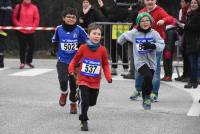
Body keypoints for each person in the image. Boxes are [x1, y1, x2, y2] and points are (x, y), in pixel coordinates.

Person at [69, 23, 112, 131]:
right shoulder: (83, 48)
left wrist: (108, 76)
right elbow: (75, 59)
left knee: (92, 102)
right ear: (88, 35)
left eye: (99, 34)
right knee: (85, 101)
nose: (96, 36)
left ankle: (80, 97)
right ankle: (84, 121)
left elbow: (106, 64)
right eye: (94, 33)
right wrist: (71, 68)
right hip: (83, 80)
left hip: (95, 81)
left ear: (101, 36)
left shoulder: (102, 50)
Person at [117, 12, 165, 110]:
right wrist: (120, 43)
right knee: (147, 76)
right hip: (140, 61)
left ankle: (144, 96)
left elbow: (162, 44)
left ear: (150, 22)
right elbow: (123, 36)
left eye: (147, 20)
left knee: (149, 79)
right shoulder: (134, 33)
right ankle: (147, 97)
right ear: (138, 23)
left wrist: (153, 45)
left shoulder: (154, 33)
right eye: (142, 21)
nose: (145, 23)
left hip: (152, 61)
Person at [129, 0, 173, 102]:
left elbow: (171, 19)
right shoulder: (142, 11)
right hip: (142, 45)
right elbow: (136, 26)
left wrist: (164, 20)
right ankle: (138, 90)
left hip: (155, 46)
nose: (149, 2)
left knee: (155, 70)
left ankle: (154, 93)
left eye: (151, 0)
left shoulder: (160, 11)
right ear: (144, 1)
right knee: (139, 69)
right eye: (147, 0)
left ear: (155, 1)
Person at [52, 7, 88, 114]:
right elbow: (55, 40)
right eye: (68, 17)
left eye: (73, 17)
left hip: (76, 61)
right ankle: (63, 92)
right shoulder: (59, 29)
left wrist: (81, 47)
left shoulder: (79, 29)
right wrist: (54, 49)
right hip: (62, 60)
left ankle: (73, 103)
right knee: (63, 80)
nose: (71, 19)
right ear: (63, 18)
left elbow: (87, 41)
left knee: (74, 84)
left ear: (76, 19)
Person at [97, 0, 130, 75]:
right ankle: (114, 67)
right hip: (111, 30)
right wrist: (102, 7)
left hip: (120, 30)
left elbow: (117, 15)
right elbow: (107, 14)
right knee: (112, 49)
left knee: (121, 49)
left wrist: (113, 18)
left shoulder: (123, 4)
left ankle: (125, 68)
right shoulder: (113, 4)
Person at [177, 0, 200, 89]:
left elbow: (197, 27)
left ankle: (193, 81)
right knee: (192, 63)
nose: (193, 4)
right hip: (189, 41)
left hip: (196, 42)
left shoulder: (198, 14)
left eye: (195, 3)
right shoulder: (190, 14)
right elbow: (187, 27)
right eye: (192, 3)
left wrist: (185, 26)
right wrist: (181, 27)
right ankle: (193, 81)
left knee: (194, 64)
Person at [12, 0, 39, 69]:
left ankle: (28, 61)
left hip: (31, 31)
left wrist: (33, 27)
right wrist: (19, 26)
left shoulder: (34, 7)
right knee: (22, 46)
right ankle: (22, 62)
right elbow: (14, 18)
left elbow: (36, 19)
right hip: (21, 31)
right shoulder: (18, 6)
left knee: (32, 46)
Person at [174, 0, 191, 82]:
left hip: (188, 35)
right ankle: (184, 74)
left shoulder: (190, 11)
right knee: (184, 54)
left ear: (188, 3)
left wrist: (182, 24)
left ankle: (188, 75)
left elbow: (188, 24)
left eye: (183, 2)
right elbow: (181, 21)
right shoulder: (182, 10)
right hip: (182, 34)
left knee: (188, 56)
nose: (181, 3)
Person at [0, 0, 12, 68]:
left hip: (2, 28)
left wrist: (3, 27)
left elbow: (8, 15)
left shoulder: (7, 2)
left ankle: (1, 62)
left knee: (1, 43)